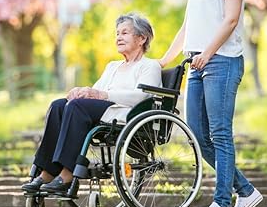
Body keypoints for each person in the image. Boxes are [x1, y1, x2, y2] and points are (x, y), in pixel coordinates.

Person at [159, 0, 262, 207]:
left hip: (223, 62)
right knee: (198, 135)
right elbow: (188, 27)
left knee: (219, 133)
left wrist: (208, 52)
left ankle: (223, 203)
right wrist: (164, 60)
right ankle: (245, 191)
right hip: (197, 63)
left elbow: (230, 21)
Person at [22, 13, 162, 196]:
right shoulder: (113, 66)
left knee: (77, 107)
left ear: (142, 38)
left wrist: (103, 94)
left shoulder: (149, 66)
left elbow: (142, 97)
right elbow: (95, 91)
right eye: (117, 33)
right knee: (59, 105)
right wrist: (81, 91)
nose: (118, 37)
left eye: (125, 33)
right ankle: (47, 173)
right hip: (104, 111)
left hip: (125, 114)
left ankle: (67, 175)